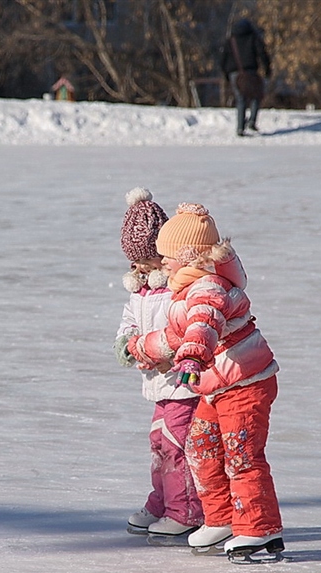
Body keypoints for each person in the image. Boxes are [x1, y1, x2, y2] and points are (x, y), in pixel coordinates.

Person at [126, 202, 284, 562]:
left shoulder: (207, 287)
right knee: (200, 449)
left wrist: (193, 355)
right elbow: (173, 334)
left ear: (190, 256)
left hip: (245, 383)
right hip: (217, 386)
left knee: (241, 456)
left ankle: (258, 527)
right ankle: (222, 519)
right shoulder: (187, 289)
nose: (162, 261)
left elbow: (202, 326)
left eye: (167, 255)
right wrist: (141, 348)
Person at [114, 188, 204, 541]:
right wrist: (127, 342)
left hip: (183, 382)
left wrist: (152, 351)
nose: (137, 267)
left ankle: (184, 512)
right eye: (131, 260)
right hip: (158, 384)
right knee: (158, 442)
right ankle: (162, 501)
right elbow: (129, 321)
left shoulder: (176, 290)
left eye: (144, 259)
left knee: (175, 444)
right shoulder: (140, 291)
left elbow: (179, 332)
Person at [221, 19, 272, 136]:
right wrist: (267, 69)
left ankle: (240, 128)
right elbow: (262, 53)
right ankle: (252, 121)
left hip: (235, 74)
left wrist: (226, 75)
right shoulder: (253, 38)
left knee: (240, 99)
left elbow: (223, 59)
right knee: (256, 95)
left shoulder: (230, 41)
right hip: (251, 72)